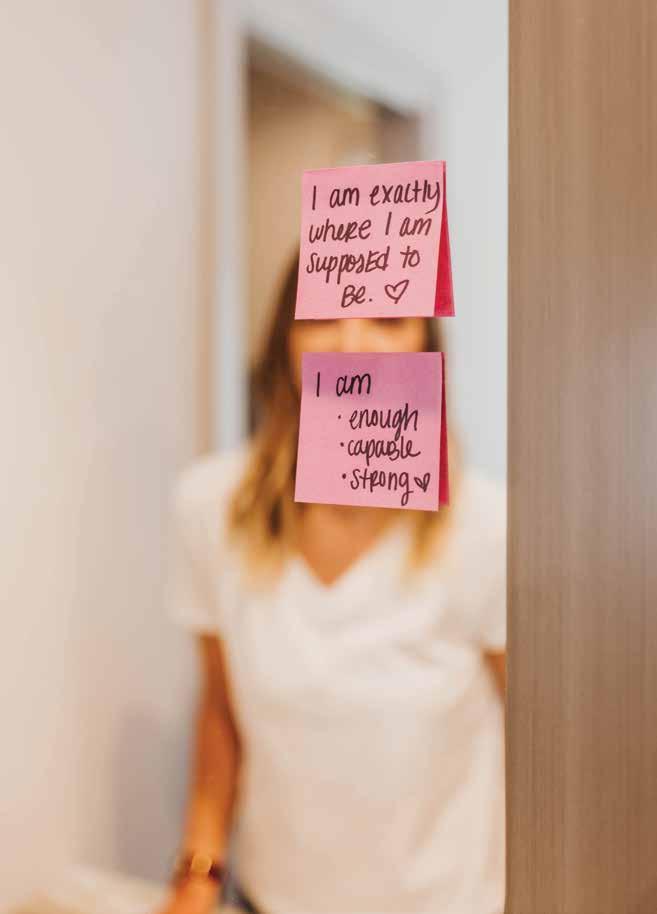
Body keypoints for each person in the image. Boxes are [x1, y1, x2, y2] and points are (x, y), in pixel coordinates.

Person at [158, 253, 507, 914]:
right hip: (272, 900)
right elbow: (221, 712)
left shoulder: (489, 530)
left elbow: (546, 742)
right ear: (284, 340)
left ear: (426, 350)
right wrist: (197, 876)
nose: (352, 344)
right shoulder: (210, 508)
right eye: (323, 314)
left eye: (386, 319)